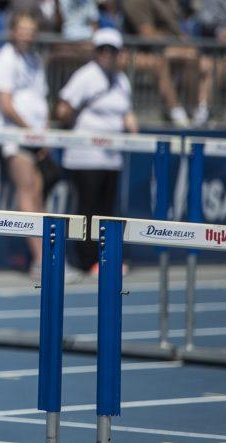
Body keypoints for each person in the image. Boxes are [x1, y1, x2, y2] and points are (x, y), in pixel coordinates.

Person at [55, 28, 138, 274]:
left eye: (112, 50)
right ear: (96, 51)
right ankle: (87, 260)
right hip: (85, 158)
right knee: (88, 212)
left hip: (112, 158)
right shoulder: (85, 76)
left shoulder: (122, 80)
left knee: (106, 212)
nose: (107, 55)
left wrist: (134, 134)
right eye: (102, 49)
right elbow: (63, 108)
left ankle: (104, 258)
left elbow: (127, 114)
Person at [0, 11, 49, 280]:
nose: (27, 34)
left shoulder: (35, 61)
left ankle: (47, 257)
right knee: (27, 193)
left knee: (38, 193)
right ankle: (41, 260)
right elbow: (6, 105)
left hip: (36, 138)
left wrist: (43, 135)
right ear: (12, 31)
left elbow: (40, 98)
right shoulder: (1, 61)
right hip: (16, 137)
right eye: (22, 29)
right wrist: (31, 132)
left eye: (31, 30)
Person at [122, 0, 213, 127]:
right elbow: (147, 35)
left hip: (168, 49)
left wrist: (181, 41)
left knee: (209, 64)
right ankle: (178, 111)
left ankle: (200, 112)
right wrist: (177, 42)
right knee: (188, 56)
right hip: (141, 52)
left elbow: (176, 29)